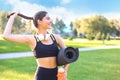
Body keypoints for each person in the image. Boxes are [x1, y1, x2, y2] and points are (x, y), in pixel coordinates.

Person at [3, 11, 69, 80]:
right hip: (41, 76)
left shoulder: (56, 38)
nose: (51, 20)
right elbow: (6, 36)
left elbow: (68, 54)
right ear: (39, 21)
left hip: (56, 75)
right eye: (48, 18)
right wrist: (12, 17)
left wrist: (65, 71)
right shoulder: (32, 39)